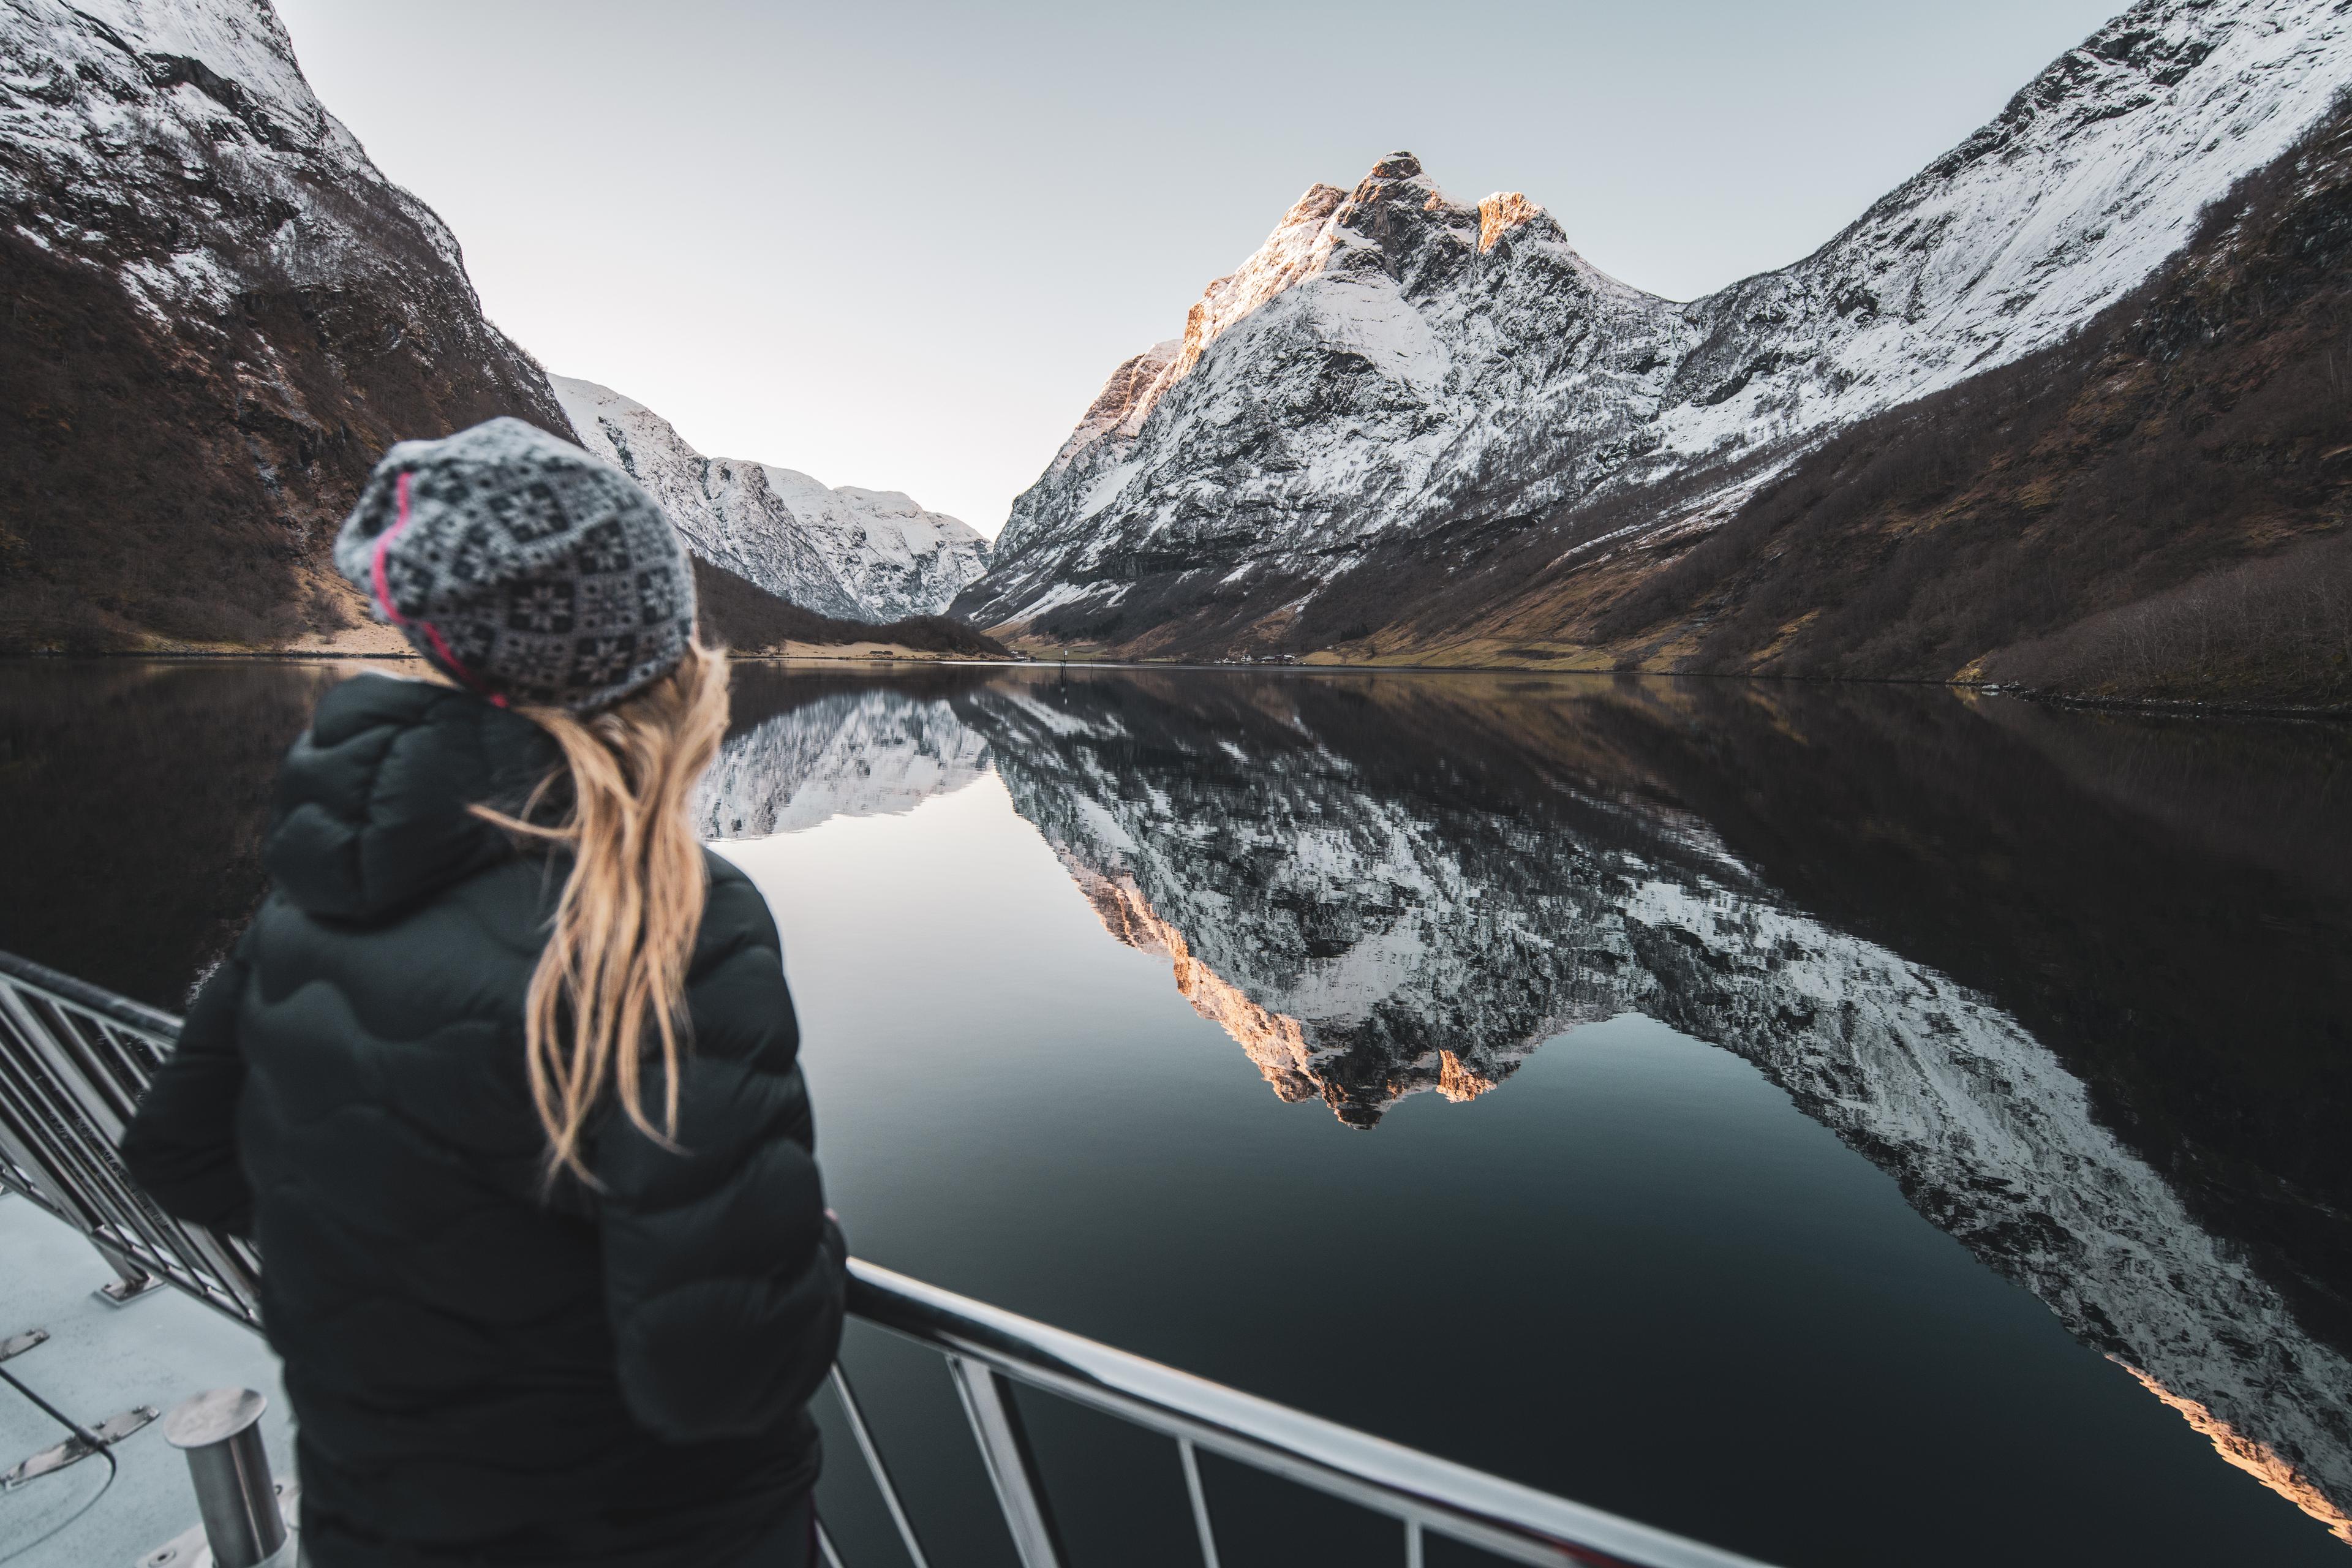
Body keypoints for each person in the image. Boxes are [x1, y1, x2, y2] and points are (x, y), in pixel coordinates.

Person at [121, 418, 846, 1568]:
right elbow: (722, 1370)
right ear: (649, 665)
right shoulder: (670, 919)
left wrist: (410, 1246)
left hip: (381, 1517)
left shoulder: (318, 889)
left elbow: (178, 1156)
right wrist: (816, 1256)